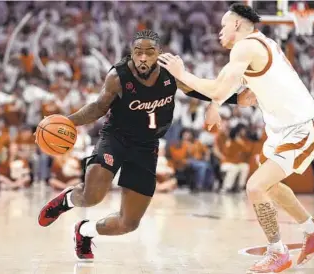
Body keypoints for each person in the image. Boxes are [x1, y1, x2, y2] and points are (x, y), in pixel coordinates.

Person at [37, 30, 242, 261]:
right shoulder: (118, 76)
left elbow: (201, 89)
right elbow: (98, 107)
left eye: (149, 52)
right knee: (92, 196)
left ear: (159, 54)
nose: (143, 58)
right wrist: (68, 121)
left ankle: (84, 231)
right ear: (132, 53)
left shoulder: (170, 73)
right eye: (138, 52)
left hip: (147, 145)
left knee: (129, 223)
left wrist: (238, 98)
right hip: (116, 138)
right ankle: (64, 201)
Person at [158, 4, 314, 273]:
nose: (219, 32)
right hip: (282, 129)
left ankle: (278, 252)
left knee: (255, 187)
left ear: (237, 25)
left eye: (223, 26)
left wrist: (183, 75)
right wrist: (215, 103)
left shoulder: (246, 47)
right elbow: (242, 97)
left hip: (300, 128)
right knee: (271, 187)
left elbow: (219, 88)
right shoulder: (260, 46)